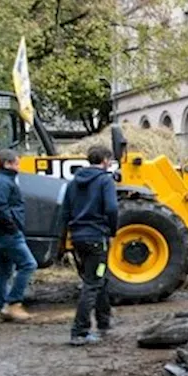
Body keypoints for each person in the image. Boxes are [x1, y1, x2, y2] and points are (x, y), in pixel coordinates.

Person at [62, 146, 119, 345]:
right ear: (104, 160)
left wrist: (67, 235)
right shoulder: (105, 180)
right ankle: (79, 331)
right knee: (92, 282)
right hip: (97, 238)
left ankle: (104, 321)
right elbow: (112, 207)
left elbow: (65, 210)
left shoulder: (74, 182)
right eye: (109, 160)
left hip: (79, 238)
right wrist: (112, 230)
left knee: (99, 277)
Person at [0, 149, 35, 323]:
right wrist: (13, 228)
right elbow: (0, 208)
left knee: (4, 271)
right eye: (16, 163)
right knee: (29, 264)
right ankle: (13, 303)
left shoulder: (1, 179)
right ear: (7, 164)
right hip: (7, 233)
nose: (19, 166)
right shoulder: (2, 182)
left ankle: (0, 310)